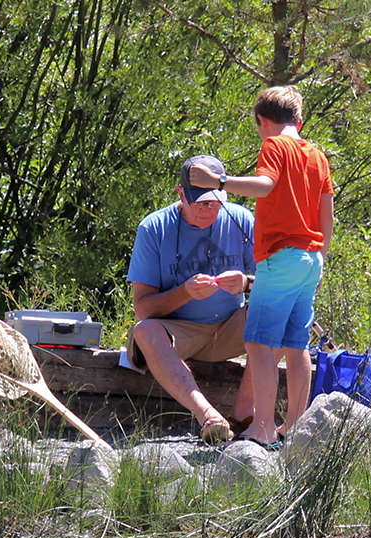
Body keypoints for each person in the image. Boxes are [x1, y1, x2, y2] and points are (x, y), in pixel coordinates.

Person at [189, 85, 334, 448]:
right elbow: (326, 208)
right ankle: (297, 428)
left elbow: (265, 186)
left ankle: (264, 427)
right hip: (311, 258)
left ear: (262, 121)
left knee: (258, 342)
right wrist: (322, 256)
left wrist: (218, 182)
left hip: (280, 257)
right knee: (295, 342)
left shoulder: (274, 145)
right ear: (298, 121)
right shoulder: (317, 154)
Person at [124, 154, 258, 444]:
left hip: (230, 327)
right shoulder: (154, 228)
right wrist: (184, 292)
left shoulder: (242, 219)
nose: (208, 211)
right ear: (181, 193)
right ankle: (209, 416)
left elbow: (277, 283)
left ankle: (243, 413)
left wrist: (246, 283)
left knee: (282, 313)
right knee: (145, 332)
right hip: (180, 333)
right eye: (200, 202)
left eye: (214, 202)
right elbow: (143, 308)